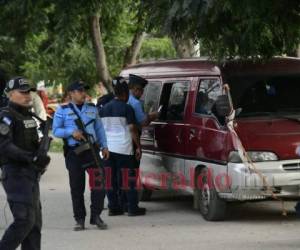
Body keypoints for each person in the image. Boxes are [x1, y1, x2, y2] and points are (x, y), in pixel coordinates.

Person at [0, 76, 51, 250]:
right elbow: (4, 146)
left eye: (28, 92)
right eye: (22, 92)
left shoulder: (29, 116)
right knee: (24, 221)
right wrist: (31, 158)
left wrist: (41, 153)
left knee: (35, 224)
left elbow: (30, 144)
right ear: (11, 94)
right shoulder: (6, 116)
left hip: (30, 175)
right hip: (15, 174)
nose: (27, 95)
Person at [52, 80, 109, 231]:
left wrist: (104, 146)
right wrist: (71, 132)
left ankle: (96, 216)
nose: (83, 93)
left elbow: (99, 128)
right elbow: (56, 130)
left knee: (100, 183)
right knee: (77, 187)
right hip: (74, 152)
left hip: (92, 151)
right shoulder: (62, 110)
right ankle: (79, 219)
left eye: (84, 90)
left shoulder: (92, 108)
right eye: (80, 91)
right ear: (71, 93)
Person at [100, 77, 146, 216]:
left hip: (108, 150)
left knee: (110, 180)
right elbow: (132, 129)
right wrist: (138, 146)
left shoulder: (104, 108)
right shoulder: (127, 108)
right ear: (125, 93)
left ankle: (114, 207)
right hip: (124, 150)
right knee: (128, 179)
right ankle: (132, 208)